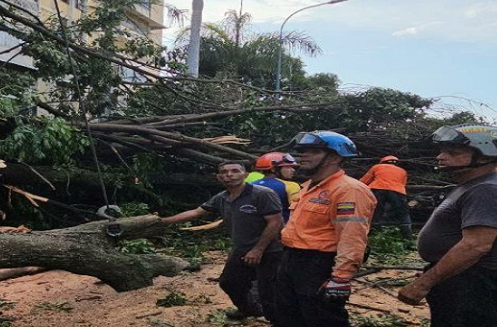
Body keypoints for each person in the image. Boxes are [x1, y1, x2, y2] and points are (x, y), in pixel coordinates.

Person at [397, 124, 497, 327]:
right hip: (463, 279)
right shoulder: (471, 185)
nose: (441, 156)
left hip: (477, 285)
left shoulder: (488, 189)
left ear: (485, 156)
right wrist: (437, 270)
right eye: (441, 150)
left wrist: (424, 283)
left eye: (452, 152)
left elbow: (476, 246)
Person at [274, 131, 377, 327]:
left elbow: (352, 236)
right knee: (288, 315)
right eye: (303, 151)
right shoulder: (309, 187)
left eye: (313, 151)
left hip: (318, 264)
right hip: (291, 259)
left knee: (322, 318)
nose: (304, 155)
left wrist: (341, 277)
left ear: (335, 157)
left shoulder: (349, 190)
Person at [161, 161, 283, 321]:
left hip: (269, 250)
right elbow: (196, 212)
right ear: (218, 177)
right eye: (224, 172)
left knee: (268, 293)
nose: (229, 175)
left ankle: (277, 320)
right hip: (242, 250)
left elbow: (276, 222)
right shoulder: (222, 197)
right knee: (229, 283)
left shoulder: (262, 194)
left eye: (234, 171)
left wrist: (258, 250)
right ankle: (250, 309)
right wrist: (162, 221)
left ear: (245, 175)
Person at [359, 155, 412, 238]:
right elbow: (403, 184)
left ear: (383, 161)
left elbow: (365, 180)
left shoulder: (377, 167)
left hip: (378, 189)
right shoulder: (402, 171)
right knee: (403, 213)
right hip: (398, 191)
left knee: (376, 212)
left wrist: (357, 187)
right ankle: (407, 235)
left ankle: (373, 234)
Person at [249, 152, 302, 222]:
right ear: (273, 169)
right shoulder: (291, 186)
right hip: (282, 228)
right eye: (288, 167)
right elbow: (298, 212)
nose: (293, 170)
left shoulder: (250, 185)